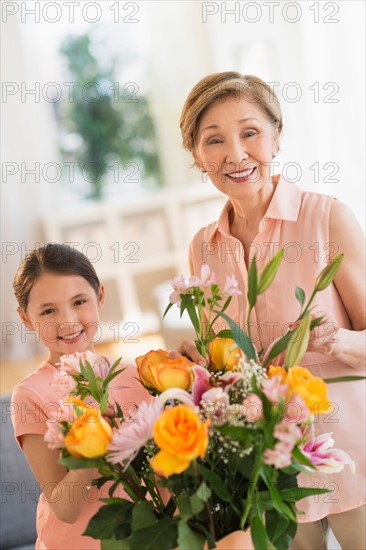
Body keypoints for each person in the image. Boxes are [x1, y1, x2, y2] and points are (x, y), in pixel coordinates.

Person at [176, 72, 366, 549]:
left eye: (250, 132)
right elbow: (224, 365)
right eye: (213, 140)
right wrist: (195, 369)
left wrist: (339, 340)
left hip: (350, 454)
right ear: (197, 156)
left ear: (277, 135)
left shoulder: (328, 218)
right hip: (267, 473)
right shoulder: (203, 247)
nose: (235, 155)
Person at [11, 243, 150, 550]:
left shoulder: (139, 374)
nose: (68, 321)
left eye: (79, 301)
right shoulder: (29, 396)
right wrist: (93, 444)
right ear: (25, 319)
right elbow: (65, 509)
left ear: (100, 296)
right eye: (48, 311)